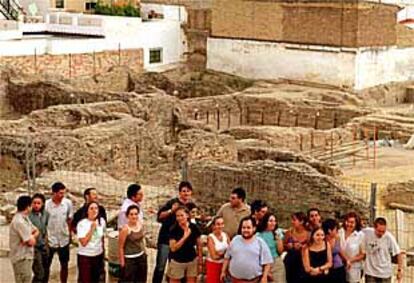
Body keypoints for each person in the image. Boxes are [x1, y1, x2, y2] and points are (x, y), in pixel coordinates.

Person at [152, 181, 195, 283]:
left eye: (188, 191)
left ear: (191, 193)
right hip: (165, 239)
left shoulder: (192, 206)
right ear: (179, 192)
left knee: (175, 269)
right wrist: (171, 210)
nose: (186, 193)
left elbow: (194, 222)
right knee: (160, 266)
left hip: (180, 243)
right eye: (183, 191)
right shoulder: (172, 203)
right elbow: (159, 216)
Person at [220, 216, 273, 283]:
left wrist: (264, 277)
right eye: (243, 228)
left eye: (248, 228)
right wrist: (223, 272)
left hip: (254, 281)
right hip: (234, 280)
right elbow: (227, 257)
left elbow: (267, 262)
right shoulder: (235, 240)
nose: (246, 230)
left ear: (254, 228)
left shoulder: (260, 242)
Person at [45, 182, 73, 283]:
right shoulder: (46, 205)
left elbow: (69, 219)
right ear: (54, 193)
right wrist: (45, 239)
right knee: (46, 265)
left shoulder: (67, 203)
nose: (62, 196)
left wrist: (69, 234)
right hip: (50, 240)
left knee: (64, 265)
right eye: (60, 193)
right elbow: (44, 223)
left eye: (63, 193)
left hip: (63, 239)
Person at [167, 206, 202, 283]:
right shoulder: (173, 229)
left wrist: (200, 262)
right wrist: (185, 237)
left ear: (187, 215)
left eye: (181, 215)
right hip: (177, 261)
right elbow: (173, 248)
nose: (179, 218)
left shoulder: (194, 227)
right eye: (177, 216)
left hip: (191, 261)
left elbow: (199, 245)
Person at [363, 217, 403, 283]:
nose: (381, 234)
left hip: (385, 273)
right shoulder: (367, 232)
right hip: (370, 272)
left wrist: (400, 270)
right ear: (374, 228)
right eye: (379, 231)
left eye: (383, 231)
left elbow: (398, 253)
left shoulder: (389, 237)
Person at [10, 195, 39, 283]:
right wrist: (31, 237)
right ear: (28, 207)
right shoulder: (19, 221)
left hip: (27, 256)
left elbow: (36, 230)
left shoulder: (25, 218)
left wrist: (32, 236)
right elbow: (30, 242)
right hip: (21, 257)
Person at [76, 201, 106, 283]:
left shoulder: (101, 221)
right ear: (87, 211)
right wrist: (92, 229)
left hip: (98, 255)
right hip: (85, 256)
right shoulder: (82, 224)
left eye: (96, 208)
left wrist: (103, 252)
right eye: (91, 208)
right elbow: (84, 242)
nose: (94, 211)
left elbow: (102, 237)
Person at [118, 205, 147, 283]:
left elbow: (142, 239)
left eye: (136, 214)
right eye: (131, 214)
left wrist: (145, 252)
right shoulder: (125, 229)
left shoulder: (140, 225)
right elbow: (120, 247)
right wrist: (122, 264)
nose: (134, 216)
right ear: (127, 216)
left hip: (141, 257)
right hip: (129, 260)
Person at [257, 212, 284, 282]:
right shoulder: (258, 235)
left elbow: (280, 251)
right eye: (271, 221)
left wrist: (279, 239)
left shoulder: (276, 234)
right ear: (265, 222)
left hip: (276, 263)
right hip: (264, 264)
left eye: (274, 221)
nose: (273, 223)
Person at [338, 212, 365, 283]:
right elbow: (338, 248)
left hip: (353, 268)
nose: (349, 224)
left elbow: (362, 254)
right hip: (339, 268)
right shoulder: (340, 232)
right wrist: (346, 260)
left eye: (352, 222)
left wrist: (350, 260)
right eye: (347, 221)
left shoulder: (360, 236)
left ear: (356, 223)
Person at [29, 193, 49, 283]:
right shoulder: (28, 216)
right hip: (34, 247)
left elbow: (46, 228)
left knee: (46, 271)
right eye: (34, 203)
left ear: (43, 204)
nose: (36, 205)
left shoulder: (45, 214)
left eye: (38, 203)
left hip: (44, 246)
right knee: (39, 273)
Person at [283, 212, 309, 283]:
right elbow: (283, 246)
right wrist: (288, 246)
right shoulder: (289, 232)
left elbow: (311, 247)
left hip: (302, 261)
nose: (292, 222)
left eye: (294, 220)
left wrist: (303, 247)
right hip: (290, 261)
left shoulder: (308, 234)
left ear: (301, 221)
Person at [206, 216, 229, 283]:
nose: (220, 226)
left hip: (224, 265)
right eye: (218, 224)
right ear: (214, 226)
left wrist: (221, 254)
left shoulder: (225, 235)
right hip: (213, 266)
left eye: (222, 224)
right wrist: (225, 254)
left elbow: (231, 250)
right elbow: (214, 257)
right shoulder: (210, 237)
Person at [322, 219, 346, 283]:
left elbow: (339, 250)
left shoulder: (337, 238)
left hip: (339, 267)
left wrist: (346, 260)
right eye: (336, 229)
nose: (337, 231)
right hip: (327, 269)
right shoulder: (322, 241)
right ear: (329, 231)